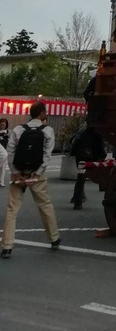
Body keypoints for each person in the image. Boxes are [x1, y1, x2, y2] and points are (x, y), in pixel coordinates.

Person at [0, 101, 61, 258]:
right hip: (36, 174)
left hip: (19, 172)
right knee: (45, 205)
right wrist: (37, 173)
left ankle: (7, 245)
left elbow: (10, 151)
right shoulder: (48, 130)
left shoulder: (18, 129)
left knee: (12, 209)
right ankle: (54, 238)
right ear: (41, 113)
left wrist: (15, 172)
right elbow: (47, 155)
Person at [70, 124, 106, 210]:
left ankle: (77, 201)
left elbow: (73, 142)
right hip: (89, 157)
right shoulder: (96, 134)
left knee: (80, 178)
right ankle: (101, 187)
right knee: (99, 172)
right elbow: (100, 149)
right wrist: (102, 156)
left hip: (80, 157)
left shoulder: (81, 132)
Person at [0, 117, 9, 187]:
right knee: (4, 155)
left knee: (3, 167)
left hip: (5, 148)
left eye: (4, 125)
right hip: (1, 151)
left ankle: (1, 182)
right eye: (1, 124)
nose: (2, 126)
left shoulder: (8, 132)